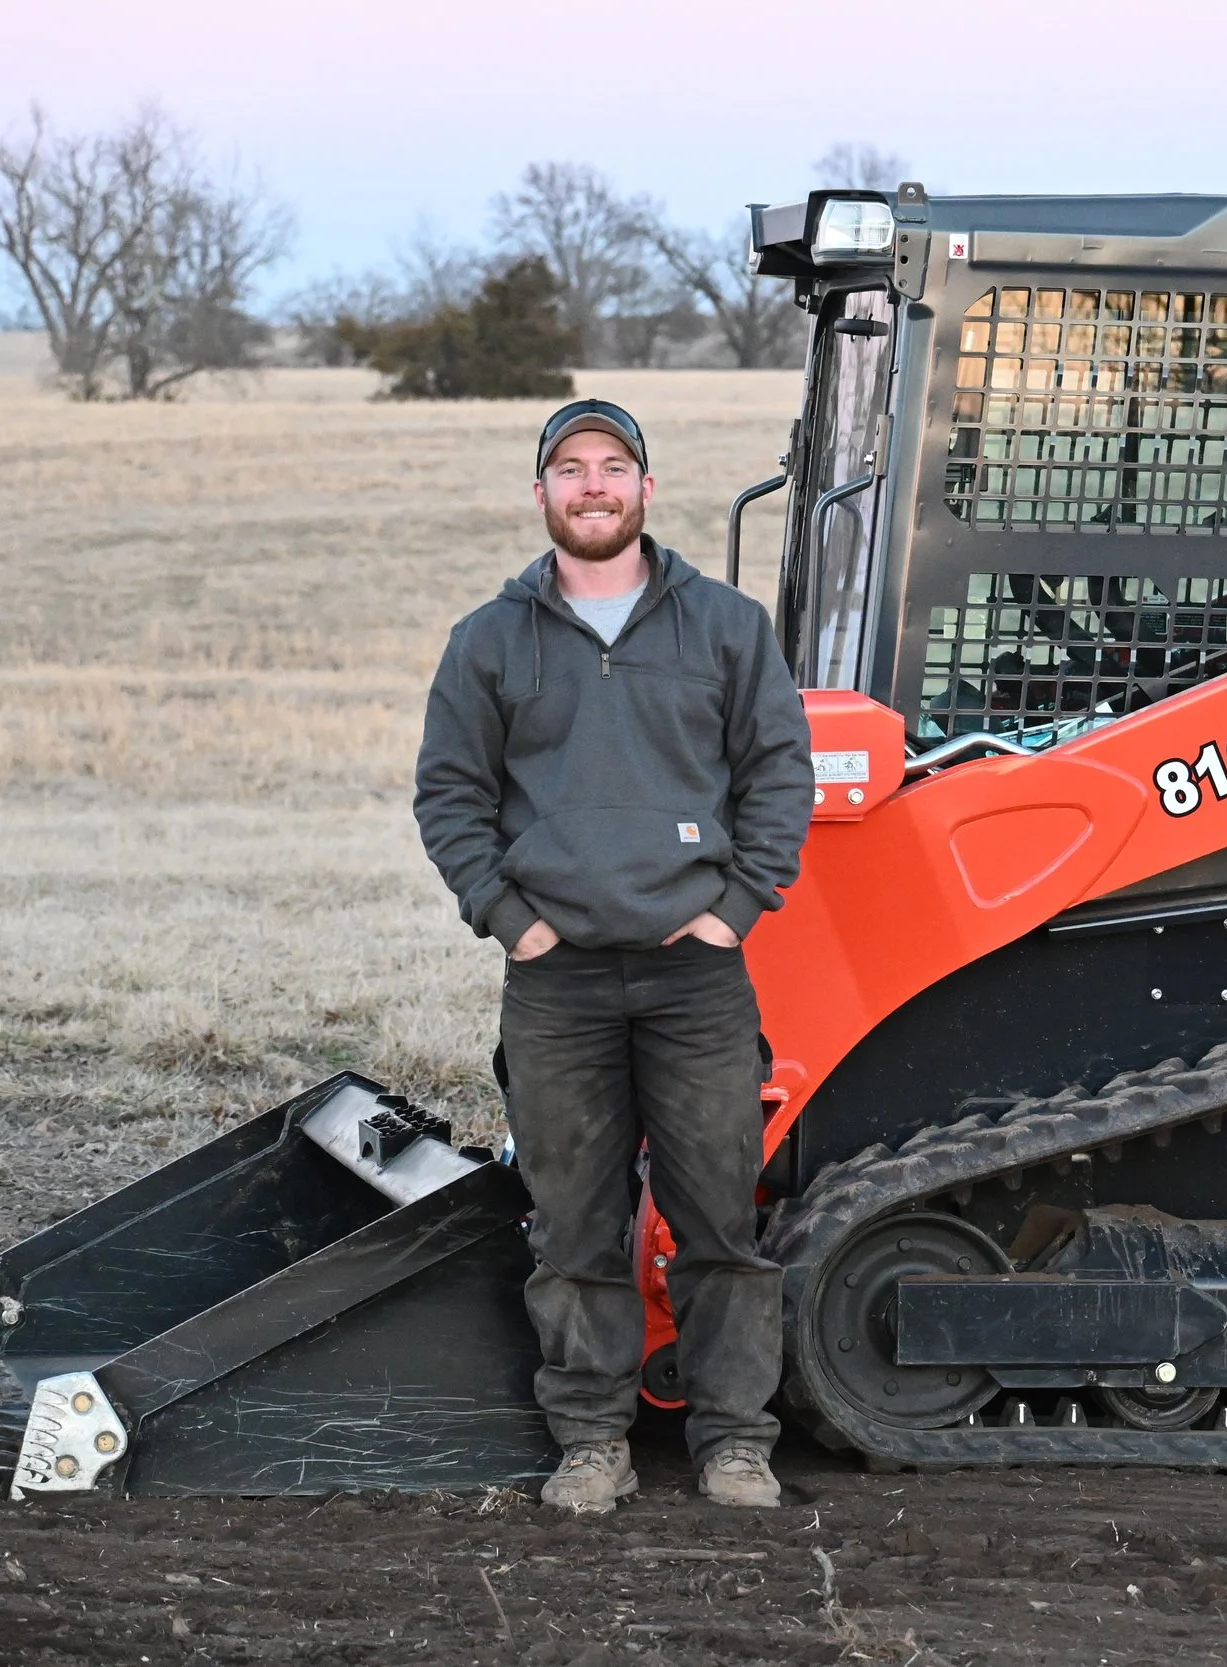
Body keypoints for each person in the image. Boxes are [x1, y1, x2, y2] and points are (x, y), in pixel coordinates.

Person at [414, 399, 814, 1512]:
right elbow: (450, 795)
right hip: (557, 979)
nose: (594, 486)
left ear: (646, 488)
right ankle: (592, 1439)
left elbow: (781, 776)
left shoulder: (726, 628)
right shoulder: (489, 642)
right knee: (575, 1220)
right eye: (571, 469)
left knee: (721, 1220)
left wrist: (733, 908)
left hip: (695, 976)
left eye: (614, 467)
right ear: (539, 493)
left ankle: (735, 1441)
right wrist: (509, 917)